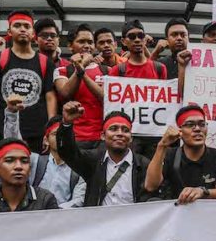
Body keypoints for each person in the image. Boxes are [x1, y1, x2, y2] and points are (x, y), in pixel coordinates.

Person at [0, 10, 57, 152]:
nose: (22, 29)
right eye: (17, 25)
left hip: (37, 132)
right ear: (9, 32)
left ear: (33, 33)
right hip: (3, 130)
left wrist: (50, 130)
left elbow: (50, 97)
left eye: (27, 26)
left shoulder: (45, 62)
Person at [56, 102, 154, 206]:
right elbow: (67, 153)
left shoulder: (144, 165)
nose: (120, 133)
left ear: (131, 138)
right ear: (103, 136)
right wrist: (66, 123)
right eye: (113, 129)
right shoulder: (93, 161)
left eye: (125, 130)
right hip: (99, 217)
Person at [107, 20, 169, 159]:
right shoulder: (117, 70)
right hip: (130, 134)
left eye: (140, 36)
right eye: (131, 36)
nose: (137, 40)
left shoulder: (159, 68)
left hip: (154, 133)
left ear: (145, 39)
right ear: (124, 41)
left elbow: (165, 101)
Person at [146, 105, 216, 204]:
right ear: (180, 130)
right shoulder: (169, 155)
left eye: (202, 124)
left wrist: (202, 192)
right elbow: (150, 186)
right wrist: (162, 146)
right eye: (190, 125)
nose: (197, 129)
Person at [0, 138, 58, 214]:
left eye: (24, 161)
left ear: (29, 169)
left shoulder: (44, 199)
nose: (18, 166)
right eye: (9, 160)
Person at [55, 24, 107, 149]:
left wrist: (81, 68)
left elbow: (106, 98)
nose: (87, 46)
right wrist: (82, 65)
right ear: (70, 46)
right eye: (81, 41)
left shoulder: (107, 71)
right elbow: (65, 93)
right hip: (74, 138)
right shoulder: (61, 71)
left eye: (90, 42)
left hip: (102, 138)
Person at [26, 117, 86, 208]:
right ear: (46, 140)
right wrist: (12, 114)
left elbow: (79, 200)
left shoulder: (80, 168)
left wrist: (55, 211)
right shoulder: (35, 161)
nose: (60, 138)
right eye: (55, 134)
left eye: (65, 134)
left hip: (63, 215)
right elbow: (14, 146)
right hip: (34, 213)